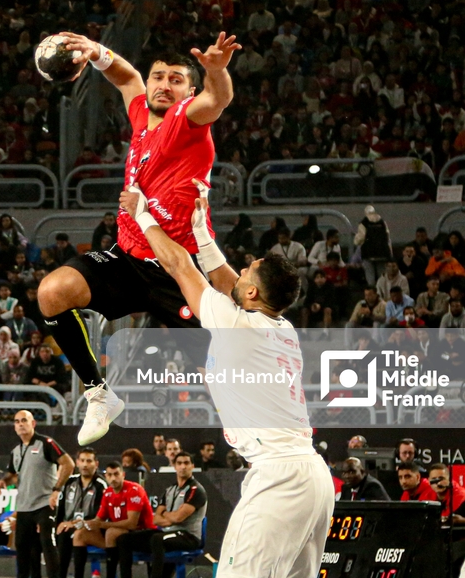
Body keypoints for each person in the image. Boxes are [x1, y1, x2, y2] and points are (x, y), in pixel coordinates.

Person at [118, 182, 334, 577]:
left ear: (252, 291)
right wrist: (202, 232)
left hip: (279, 477)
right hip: (313, 478)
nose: (242, 268)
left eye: (248, 269)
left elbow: (179, 266)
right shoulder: (281, 326)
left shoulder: (238, 326)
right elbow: (229, 284)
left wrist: (142, 215)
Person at [38, 31, 241, 446]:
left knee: (223, 379)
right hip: (128, 259)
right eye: (158, 77)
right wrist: (97, 51)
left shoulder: (188, 120)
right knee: (52, 292)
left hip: (180, 271)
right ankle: (99, 395)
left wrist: (217, 72)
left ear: (189, 91)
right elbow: (126, 77)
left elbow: (217, 99)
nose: (164, 85)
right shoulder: (141, 115)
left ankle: (259, 444)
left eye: (176, 80)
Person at [0, 410, 74, 578]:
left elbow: (68, 464)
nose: (20, 424)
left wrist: (57, 489)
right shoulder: (16, 451)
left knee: (47, 543)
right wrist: (4, 481)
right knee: (23, 549)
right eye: (17, 421)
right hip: (24, 506)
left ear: (33, 423)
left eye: (24, 420)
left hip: (44, 503)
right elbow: (14, 475)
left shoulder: (45, 443)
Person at [72, 461, 155, 578]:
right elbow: (98, 520)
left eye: (116, 474)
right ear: (106, 476)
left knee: (111, 532)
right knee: (79, 534)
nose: (113, 478)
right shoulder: (108, 493)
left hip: (143, 533)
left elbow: (131, 524)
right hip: (118, 535)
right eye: (110, 475)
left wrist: (102, 525)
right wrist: (84, 524)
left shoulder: (134, 490)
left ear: (123, 475)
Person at [144, 452, 207, 578]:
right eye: (179, 463)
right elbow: (156, 519)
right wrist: (170, 518)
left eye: (186, 463)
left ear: (192, 466)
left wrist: (165, 513)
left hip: (188, 536)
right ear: (174, 466)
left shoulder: (196, 490)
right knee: (130, 539)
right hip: (169, 533)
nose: (183, 466)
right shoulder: (170, 490)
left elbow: (178, 518)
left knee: (157, 539)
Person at [51, 448, 107, 578]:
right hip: (67, 527)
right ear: (77, 463)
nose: (85, 464)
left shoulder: (100, 486)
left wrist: (73, 524)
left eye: (89, 461)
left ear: (96, 464)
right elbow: (60, 510)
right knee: (59, 533)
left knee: (68, 534)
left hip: (89, 528)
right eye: (82, 460)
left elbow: (98, 516)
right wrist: (58, 525)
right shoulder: (69, 482)